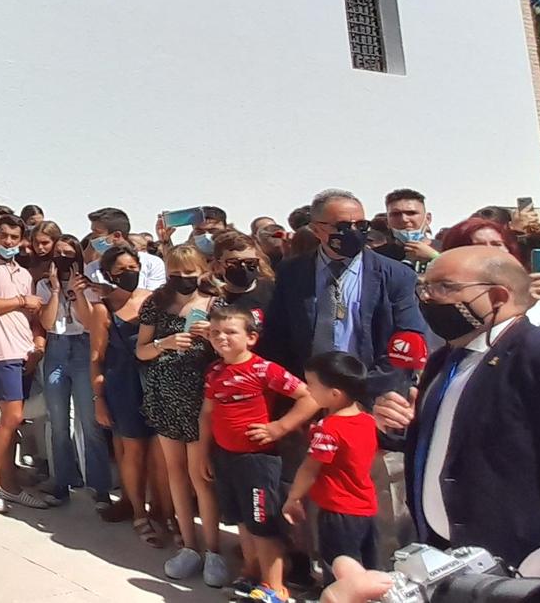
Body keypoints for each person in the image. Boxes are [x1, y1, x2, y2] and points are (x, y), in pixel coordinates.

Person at [370, 246, 540, 566]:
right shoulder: (446, 359)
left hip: (537, 563)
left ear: (497, 296)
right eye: (423, 286)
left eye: (444, 288)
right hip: (455, 557)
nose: (427, 297)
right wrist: (401, 426)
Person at [200, 304, 318, 601]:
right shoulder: (214, 371)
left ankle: (275, 587)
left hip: (257, 460)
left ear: (251, 337)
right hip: (226, 458)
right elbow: (207, 414)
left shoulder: (264, 369)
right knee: (242, 520)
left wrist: (280, 427)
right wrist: (203, 452)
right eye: (215, 332)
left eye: (230, 332)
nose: (221, 338)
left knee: (263, 523)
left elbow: (310, 398)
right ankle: (252, 571)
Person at [264, 189, 425, 399]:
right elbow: (276, 335)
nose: (353, 232)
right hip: (306, 397)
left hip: (371, 398)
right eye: (343, 227)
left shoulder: (396, 275)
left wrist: (362, 394)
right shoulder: (292, 272)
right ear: (316, 229)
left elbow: (407, 338)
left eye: (361, 225)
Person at [134, 244, 226, 586]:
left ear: (202, 269)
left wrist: (213, 337)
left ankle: (214, 549)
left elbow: (235, 348)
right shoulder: (155, 303)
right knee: (175, 473)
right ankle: (189, 546)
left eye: (190, 272)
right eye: (177, 273)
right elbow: (141, 351)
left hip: (203, 398)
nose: (184, 279)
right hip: (164, 393)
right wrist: (165, 343)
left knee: (201, 475)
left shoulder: (216, 304)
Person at [0, 216, 50, 513]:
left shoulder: (23, 273)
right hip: (2, 351)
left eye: (13, 237)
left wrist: (38, 343)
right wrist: (20, 301)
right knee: (11, 416)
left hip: (24, 350)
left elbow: (31, 316)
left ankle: (10, 484)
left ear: (21, 240)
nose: (7, 242)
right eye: (3, 236)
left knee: (12, 420)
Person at [283, 352, 381, 578]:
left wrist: (293, 498)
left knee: (338, 571)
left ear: (335, 394)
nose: (308, 390)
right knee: (366, 571)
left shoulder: (330, 430)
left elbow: (310, 468)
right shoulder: (367, 420)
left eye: (312, 385)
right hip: (366, 509)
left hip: (338, 513)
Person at [92, 245, 162, 544]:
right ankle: (138, 512)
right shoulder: (102, 307)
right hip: (122, 384)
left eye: (132, 267)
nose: (128, 274)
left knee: (159, 453)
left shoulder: (153, 299)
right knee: (132, 450)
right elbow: (96, 357)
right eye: (121, 271)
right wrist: (99, 399)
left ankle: (164, 512)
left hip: (155, 383)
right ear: (109, 275)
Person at [34, 232, 110, 507]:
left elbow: (91, 323)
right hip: (57, 347)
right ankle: (63, 482)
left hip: (81, 347)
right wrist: (55, 290)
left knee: (89, 421)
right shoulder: (44, 285)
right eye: (59, 255)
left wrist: (78, 292)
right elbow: (47, 321)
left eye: (69, 255)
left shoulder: (88, 285)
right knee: (58, 421)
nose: (64, 260)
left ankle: (99, 486)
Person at [379, 189, 435, 268]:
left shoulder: (448, 248)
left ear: (428, 218)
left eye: (411, 213)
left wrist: (435, 257)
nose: (404, 219)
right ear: (387, 221)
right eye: (396, 214)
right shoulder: (376, 256)